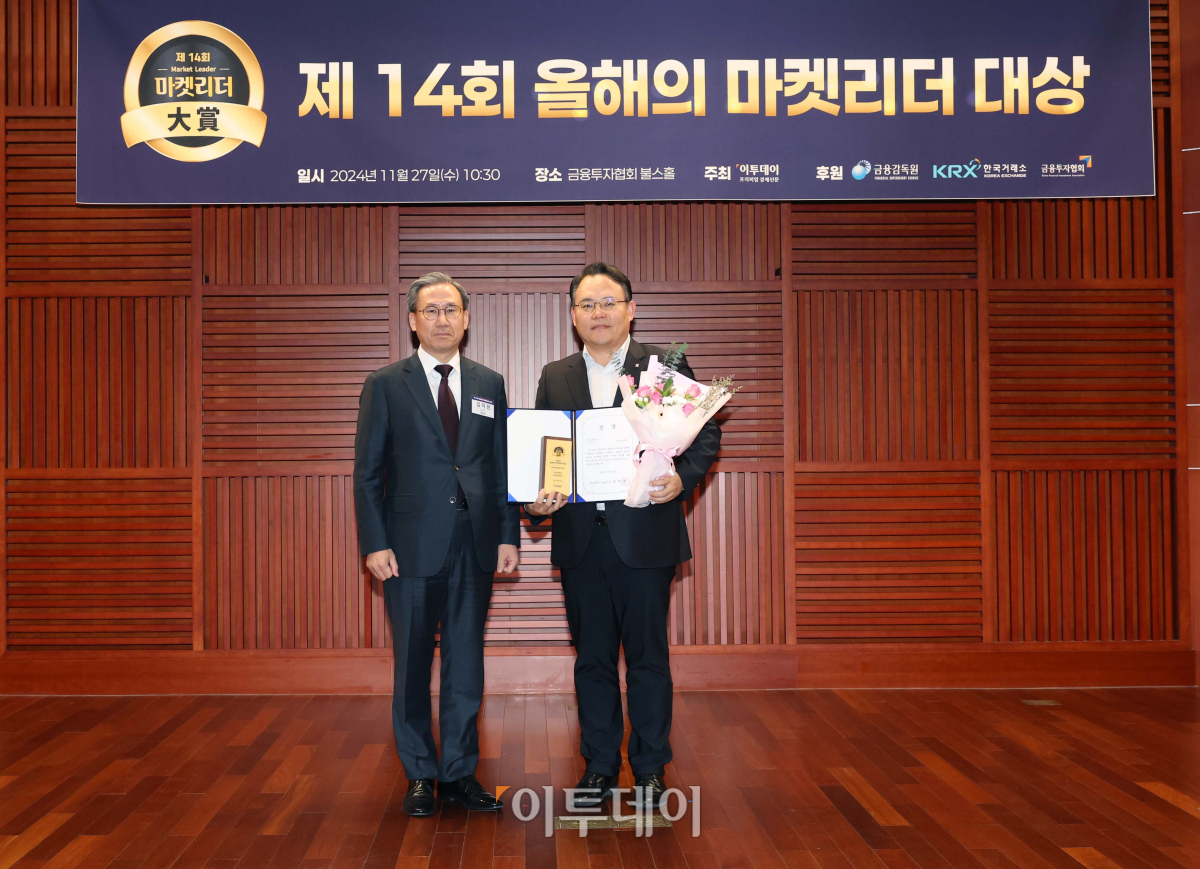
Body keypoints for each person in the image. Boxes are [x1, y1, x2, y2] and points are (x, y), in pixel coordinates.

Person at [525, 262, 721, 811]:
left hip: (644, 536)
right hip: (581, 539)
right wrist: (535, 501)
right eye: (587, 304)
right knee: (591, 660)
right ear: (573, 316)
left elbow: (705, 434)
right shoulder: (556, 374)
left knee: (648, 659)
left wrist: (682, 479)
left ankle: (651, 769)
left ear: (631, 309)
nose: (599, 312)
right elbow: (545, 448)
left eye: (608, 302)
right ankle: (600, 767)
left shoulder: (663, 365)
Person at [353, 272, 519, 817]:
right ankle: (420, 774)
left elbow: (500, 467)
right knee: (412, 664)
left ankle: (460, 773)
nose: (442, 319)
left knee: (465, 663)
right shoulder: (385, 384)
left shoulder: (489, 382)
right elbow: (366, 473)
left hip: (475, 542)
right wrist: (374, 543)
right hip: (408, 547)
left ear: (466, 319)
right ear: (412, 320)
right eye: (431, 310)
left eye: (451, 310)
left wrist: (507, 534)